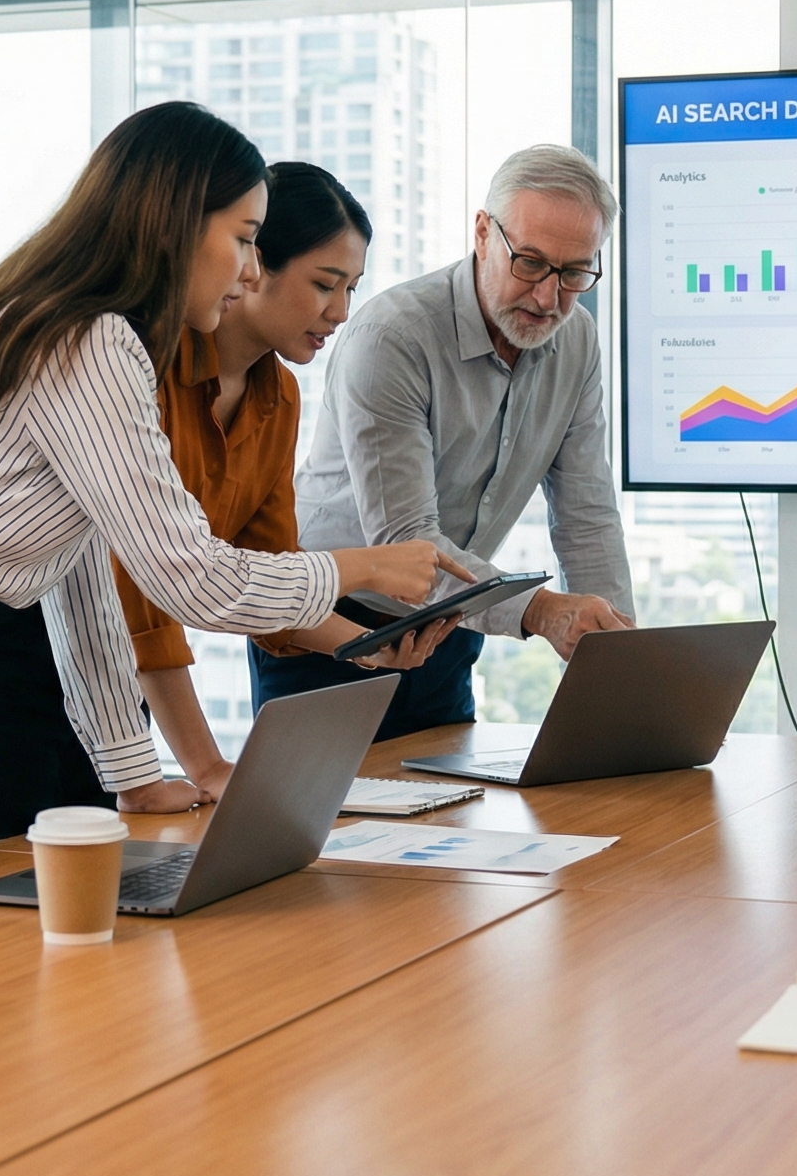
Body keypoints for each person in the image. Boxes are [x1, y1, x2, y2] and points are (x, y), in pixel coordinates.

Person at [0, 103, 464, 913]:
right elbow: (191, 579)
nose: (247, 271)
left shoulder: (89, 334)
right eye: (242, 238)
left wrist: (132, 775)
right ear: (173, 223)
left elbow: (84, 583)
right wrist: (362, 566)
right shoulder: (89, 339)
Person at [113, 161, 453, 801]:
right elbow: (144, 597)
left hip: (94, 678)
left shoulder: (281, 396)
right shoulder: (138, 369)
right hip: (25, 646)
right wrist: (207, 766)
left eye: (352, 288)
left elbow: (272, 579)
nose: (341, 312)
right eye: (325, 284)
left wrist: (369, 646)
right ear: (252, 264)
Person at [271, 143, 636, 739]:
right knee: (327, 825)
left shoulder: (578, 341)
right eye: (532, 264)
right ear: (483, 233)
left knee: (447, 816)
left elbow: (586, 514)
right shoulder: (394, 337)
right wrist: (542, 612)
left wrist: (620, 661)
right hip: (328, 628)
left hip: (453, 621)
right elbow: (404, 541)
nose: (549, 298)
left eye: (574, 275)